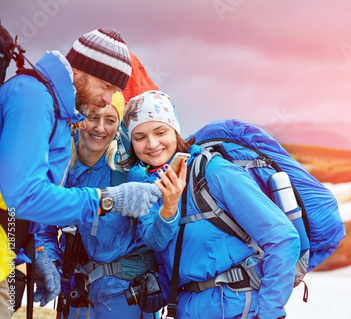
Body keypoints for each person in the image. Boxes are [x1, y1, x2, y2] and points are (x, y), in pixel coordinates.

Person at [0, 28, 162, 316]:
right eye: (106, 85)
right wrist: (106, 200)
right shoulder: (34, 98)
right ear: (81, 70)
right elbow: (21, 196)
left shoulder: (55, 110)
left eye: (115, 91)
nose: (107, 98)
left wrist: (38, 252)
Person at [123, 90, 300, 319]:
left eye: (160, 132)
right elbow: (157, 242)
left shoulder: (214, 172)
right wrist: (168, 208)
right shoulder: (149, 187)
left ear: (175, 131)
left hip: (238, 307)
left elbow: (283, 238)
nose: (152, 144)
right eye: (140, 137)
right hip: (187, 309)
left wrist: (269, 313)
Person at [37, 92, 184, 318]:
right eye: (93, 117)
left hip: (125, 297)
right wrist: (49, 261)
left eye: (110, 120)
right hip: (77, 295)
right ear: (78, 119)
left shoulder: (130, 170)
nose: (100, 128)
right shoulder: (60, 166)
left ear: (118, 126)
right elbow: (44, 227)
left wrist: (167, 211)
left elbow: (156, 238)